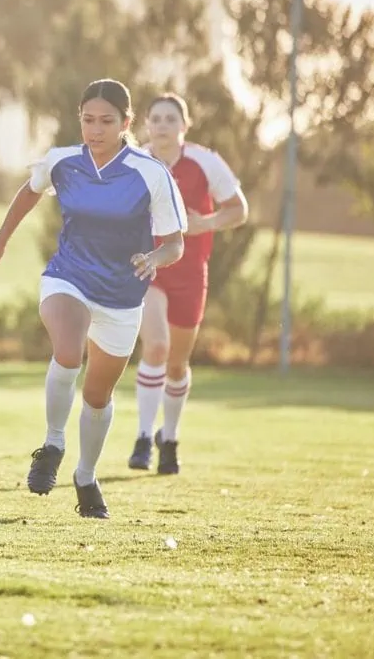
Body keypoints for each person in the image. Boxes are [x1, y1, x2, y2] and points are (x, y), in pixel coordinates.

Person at [0, 79, 187, 519]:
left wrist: (154, 258)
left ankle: (86, 476)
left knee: (97, 396)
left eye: (106, 121)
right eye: (88, 120)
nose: (95, 129)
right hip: (67, 277)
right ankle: (52, 444)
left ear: (126, 123)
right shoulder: (63, 162)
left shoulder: (150, 173)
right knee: (67, 351)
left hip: (122, 297)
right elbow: (30, 191)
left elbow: (175, 243)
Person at [129, 93, 248, 474]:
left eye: (170, 119)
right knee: (157, 346)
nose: (162, 125)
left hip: (192, 272)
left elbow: (239, 210)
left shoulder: (205, 162)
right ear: (146, 125)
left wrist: (206, 223)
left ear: (184, 126)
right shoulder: (136, 161)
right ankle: (144, 437)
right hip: (150, 267)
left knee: (177, 364)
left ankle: (170, 437)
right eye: (156, 119)